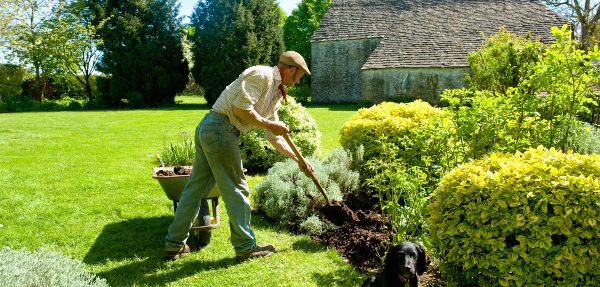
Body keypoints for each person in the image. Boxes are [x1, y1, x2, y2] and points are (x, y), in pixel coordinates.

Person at [165, 51, 314, 261]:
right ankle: (245, 247)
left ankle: (174, 245)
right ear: (291, 70)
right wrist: (270, 123)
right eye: (299, 76)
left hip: (211, 129)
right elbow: (241, 109)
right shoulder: (262, 75)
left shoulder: (275, 93)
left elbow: (274, 136)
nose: (298, 81)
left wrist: (299, 160)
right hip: (220, 129)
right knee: (237, 189)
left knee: (195, 190)